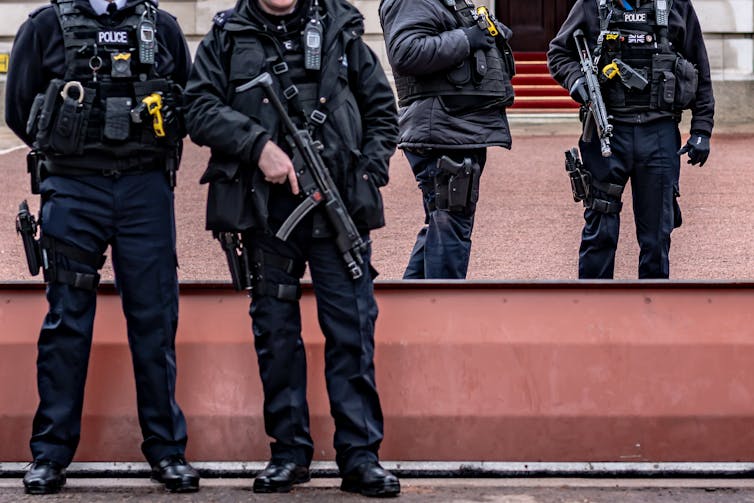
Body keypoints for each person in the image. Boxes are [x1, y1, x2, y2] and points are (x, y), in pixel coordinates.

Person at [183, 0, 400, 497]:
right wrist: (257, 146)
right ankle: (289, 453)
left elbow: (384, 113)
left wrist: (368, 173)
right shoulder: (228, 36)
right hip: (266, 213)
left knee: (352, 332)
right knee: (277, 337)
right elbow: (197, 109)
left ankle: (361, 457)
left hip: (337, 207)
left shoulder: (341, 30)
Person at [5, 0, 198, 494]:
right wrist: (72, 145)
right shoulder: (45, 26)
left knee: (155, 321)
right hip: (73, 188)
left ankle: (167, 451)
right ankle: (49, 455)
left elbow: (189, 103)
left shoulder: (165, 28)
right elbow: (19, 110)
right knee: (67, 322)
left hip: (145, 189)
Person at [548, 0, 715, 279]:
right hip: (607, 133)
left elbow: (700, 67)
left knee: (657, 236)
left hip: (659, 133)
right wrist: (577, 81)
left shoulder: (676, 5)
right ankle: (592, 309)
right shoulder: (591, 5)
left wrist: (702, 129)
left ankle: (652, 308)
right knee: (600, 229)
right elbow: (559, 53)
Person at [379, 0, 515, 279]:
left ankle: (416, 311)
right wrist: (467, 37)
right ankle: (443, 313)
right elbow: (406, 52)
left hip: (457, 128)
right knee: (449, 225)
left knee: (443, 223)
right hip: (442, 130)